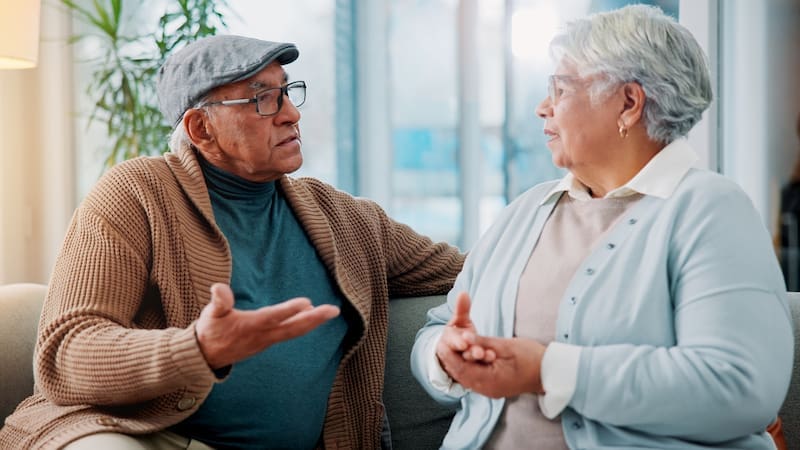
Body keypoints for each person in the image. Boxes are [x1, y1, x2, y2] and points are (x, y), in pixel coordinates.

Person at [0, 35, 464, 449]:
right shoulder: (137, 193)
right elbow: (64, 355)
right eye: (263, 99)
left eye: (287, 91)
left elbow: (478, 268)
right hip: (142, 435)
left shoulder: (345, 218)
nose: (291, 114)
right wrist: (198, 348)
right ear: (201, 128)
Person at [411, 5, 793, 450]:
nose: (542, 108)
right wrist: (444, 353)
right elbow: (437, 328)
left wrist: (549, 370)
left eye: (560, 88)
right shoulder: (526, 210)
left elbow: (737, 388)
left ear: (629, 103)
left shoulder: (711, 210)